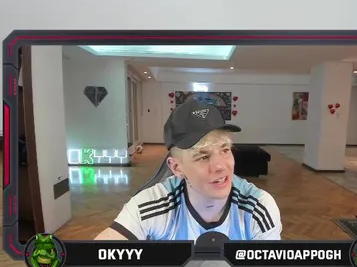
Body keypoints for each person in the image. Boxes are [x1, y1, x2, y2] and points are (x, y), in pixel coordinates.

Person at [94, 98, 282, 241]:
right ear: (176, 167)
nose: (221, 166)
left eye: (225, 150)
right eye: (203, 156)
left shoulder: (259, 207)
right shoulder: (150, 206)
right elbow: (98, 260)